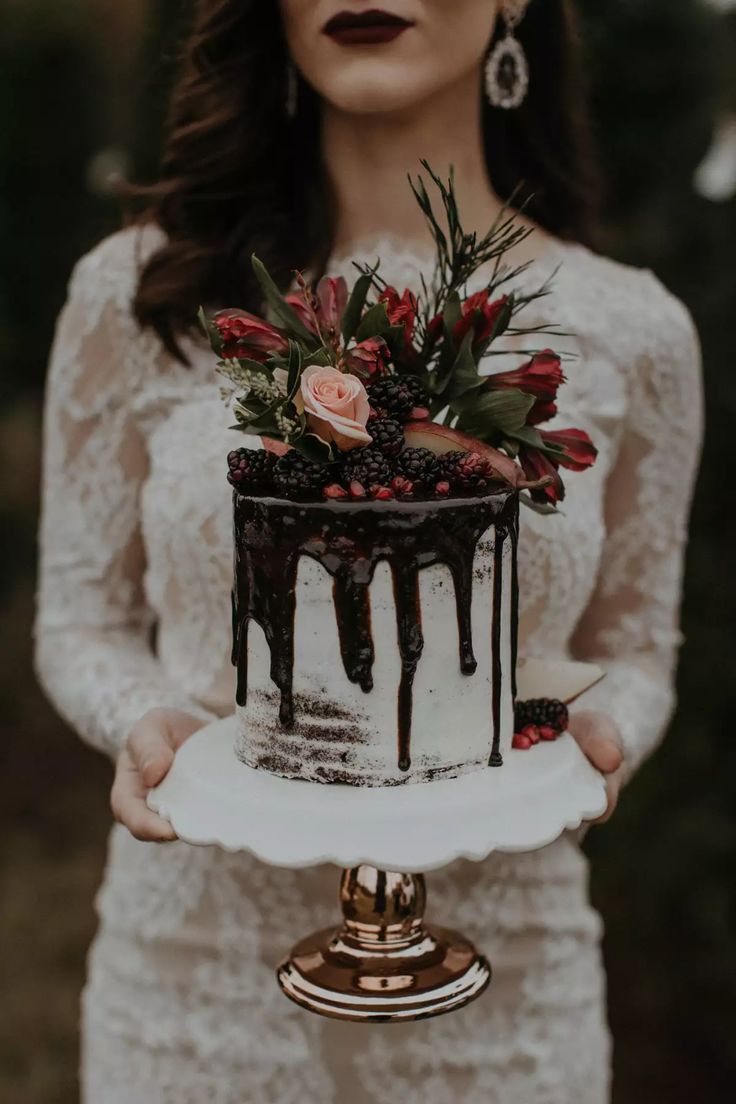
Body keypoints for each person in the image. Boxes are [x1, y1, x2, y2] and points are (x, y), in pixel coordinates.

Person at [34, 2, 703, 1101]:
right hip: (194, 991)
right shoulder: (141, 293)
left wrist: (602, 733)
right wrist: (141, 723)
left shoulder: (634, 332)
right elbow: (80, 619)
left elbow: (637, 642)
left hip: (506, 997)